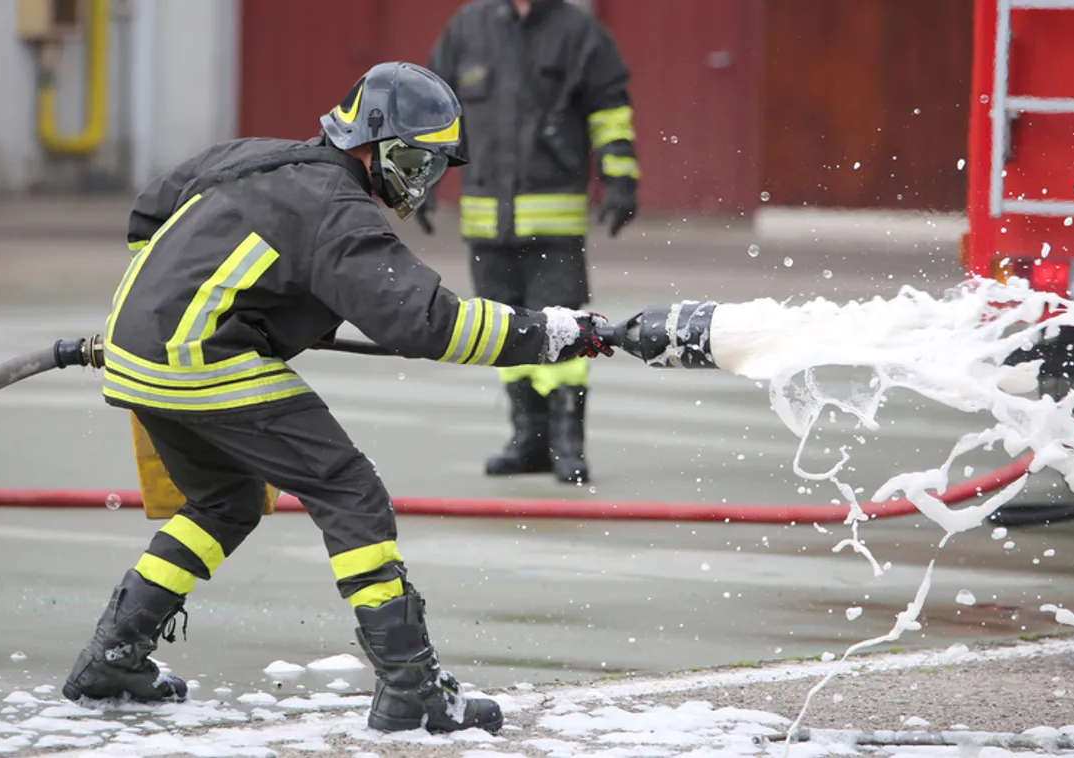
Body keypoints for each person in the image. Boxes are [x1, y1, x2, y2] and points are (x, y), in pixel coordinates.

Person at [60, 61, 615, 736]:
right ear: (373, 139)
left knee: (224, 503)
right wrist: (556, 333)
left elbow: (148, 215)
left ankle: (112, 657)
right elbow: (428, 322)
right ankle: (410, 687)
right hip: (200, 358)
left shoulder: (255, 156)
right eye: (416, 160)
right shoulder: (336, 212)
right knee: (350, 492)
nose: (419, 180)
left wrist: (237, 302)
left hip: (136, 349)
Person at [419, 0, 640, 486]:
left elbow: (610, 114)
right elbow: (432, 112)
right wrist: (422, 181)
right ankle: (528, 441)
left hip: (553, 223)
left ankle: (567, 444)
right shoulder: (467, 29)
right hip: (485, 222)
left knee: (563, 328)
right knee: (505, 329)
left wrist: (620, 179)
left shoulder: (580, 33)